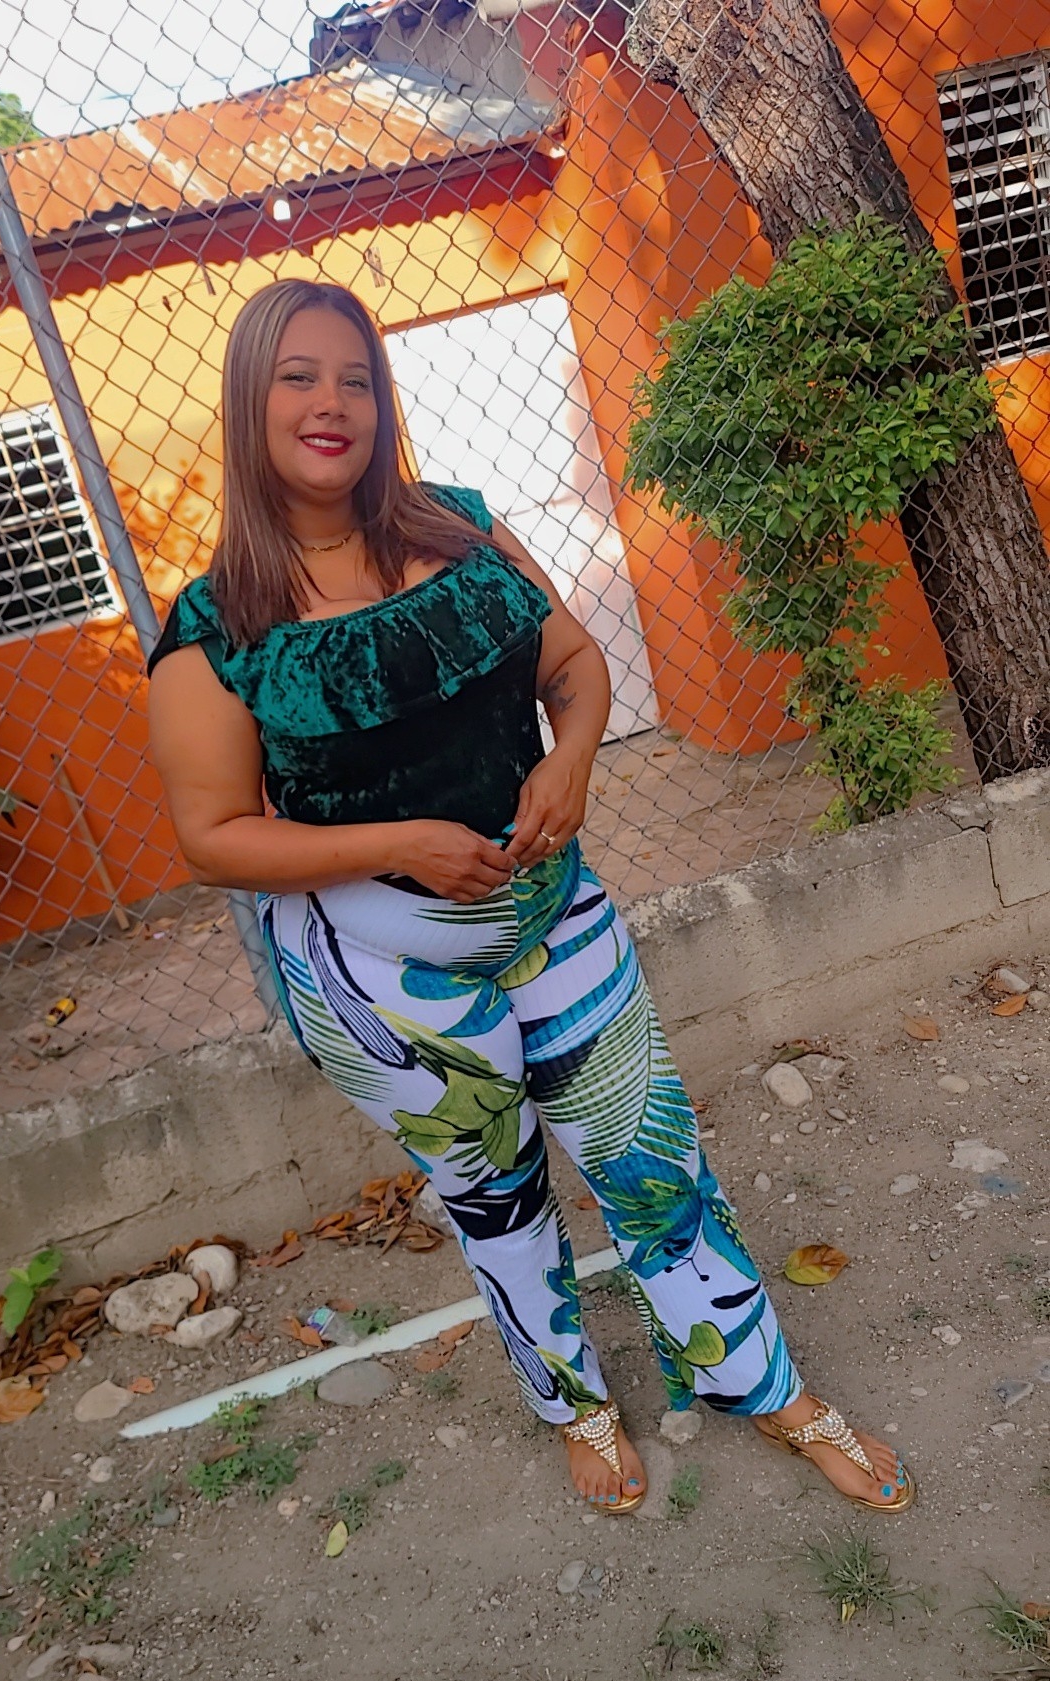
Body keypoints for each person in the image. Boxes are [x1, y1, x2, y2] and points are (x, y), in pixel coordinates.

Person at [148, 278, 913, 1516]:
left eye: (356, 378)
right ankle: (575, 1404)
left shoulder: (461, 529)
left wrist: (573, 757)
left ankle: (759, 1383)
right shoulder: (215, 627)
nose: (332, 402)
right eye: (298, 377)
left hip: (555, 918)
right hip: (388, 980)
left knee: (654, 1164)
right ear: (250, 400)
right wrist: (403, 841)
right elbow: (211, 836)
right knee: (498, 1204)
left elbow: (576, 662)